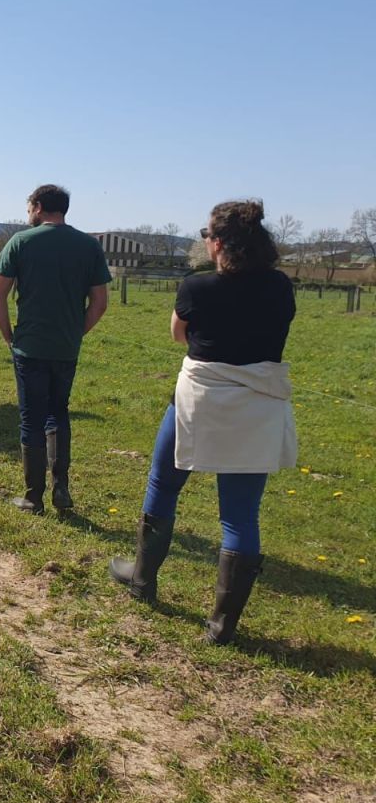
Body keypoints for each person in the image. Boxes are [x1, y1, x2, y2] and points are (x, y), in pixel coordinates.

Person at [110, 200, 295, 645]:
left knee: (163, 482)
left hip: (202, 398)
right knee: (240, 516)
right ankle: (222, 625)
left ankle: (142, 578)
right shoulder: (280, 287)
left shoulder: (197, 287)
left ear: (217, 243)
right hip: (259, 402)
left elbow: (179, 334)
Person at [0, 184, 111, 515]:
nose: (28, 212)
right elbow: (100, 303)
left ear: (39, 207)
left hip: (29, 346)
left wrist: (8, 336)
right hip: (65, 348)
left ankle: (33, 496)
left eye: (29, 207)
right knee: (59, 413)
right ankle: (62, 488)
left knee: (32, 418)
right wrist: (76, 332)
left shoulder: (21, 242)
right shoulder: (88, 246)